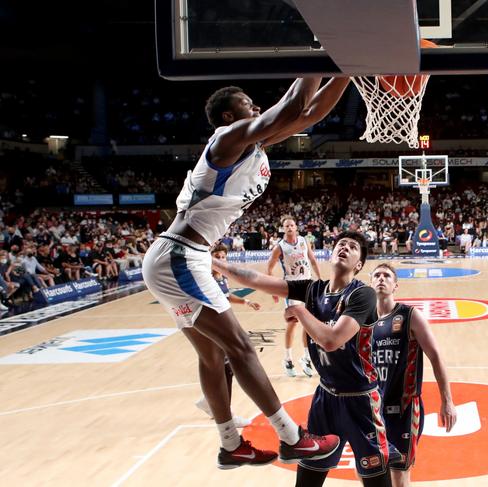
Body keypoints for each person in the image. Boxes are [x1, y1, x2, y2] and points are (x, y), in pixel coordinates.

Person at [141, 76, 350, 469]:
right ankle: (292, 437)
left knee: (215, 356)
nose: (255, 108)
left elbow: (308, 114)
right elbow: (289, 108)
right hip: (182, 256)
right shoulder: (227, 139)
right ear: (228, 115)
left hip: (176, 258)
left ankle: (230, 444)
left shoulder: (251, 146)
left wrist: (346, 71)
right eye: (248, 104)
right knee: (240, 349)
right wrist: (322, 58)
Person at [212, 232, 393, 487]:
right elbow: (256, 279)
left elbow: (332, 340)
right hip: (325, 398)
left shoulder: (362, 295)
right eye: (341, 244)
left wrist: (299, 310)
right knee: (307, 480)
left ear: (359, 265)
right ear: (330, 254)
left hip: (361, 399)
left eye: (352, 248)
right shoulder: (312, 289)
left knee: (377, 481)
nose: (345, 248)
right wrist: (213, 262)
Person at [370, 263, 456, 487]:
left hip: (404, 410)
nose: (381, 279)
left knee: (399, 475)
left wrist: (447, 401)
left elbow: (436, 356)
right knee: (371, 473)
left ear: (395, 285)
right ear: (371, 283)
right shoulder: (363, 321)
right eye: (377, 275)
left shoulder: (409, 316)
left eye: (386, 276)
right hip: (372, 411)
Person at [196, 244, 261, 428]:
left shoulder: (221, 276)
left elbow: (227, 297)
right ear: (211, 258)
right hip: (211, 325)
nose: (221, 259)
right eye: (217, 256)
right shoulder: (205, 277)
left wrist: (247, 301)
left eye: (223, 256)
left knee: (220, 366)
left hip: (219, 325)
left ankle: (208, 401)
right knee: (226, 366)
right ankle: (226, 414)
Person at [267, 217, 321, 377]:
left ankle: (306, 357)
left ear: (296, 227)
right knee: (292, 323)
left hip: (308, 285)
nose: (289, 227)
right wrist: (273, 291)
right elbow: (269, 268)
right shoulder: (279, 247)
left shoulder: (304, 241)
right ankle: (288, 358)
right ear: (283, 229)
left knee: (308, 323)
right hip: (291, 287)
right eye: (286, 226)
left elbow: (312, 259)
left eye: (292, 225)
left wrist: (320, 279)